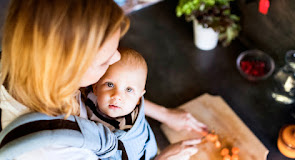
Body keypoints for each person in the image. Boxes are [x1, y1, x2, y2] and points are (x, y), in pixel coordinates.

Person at [0, 0, 206, 159]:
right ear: (68, 70)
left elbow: (109, 91)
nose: (117, 58)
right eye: (103, 62)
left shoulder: (29, 66)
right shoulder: (52, 151)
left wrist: (165, 114)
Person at [83, 48, 157, 159]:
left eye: (129, 90)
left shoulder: (125, 131)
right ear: (95, 87)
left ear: (138, 99)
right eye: (110, 84)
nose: (117, 96)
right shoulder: (87, 94)